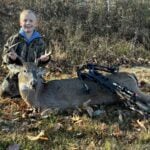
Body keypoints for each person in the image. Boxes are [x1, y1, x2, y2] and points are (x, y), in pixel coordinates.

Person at [0, 9, 50, 98]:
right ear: (20, 23)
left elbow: (43, 62)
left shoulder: (40, 42)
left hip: (33, 75)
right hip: (17, 73)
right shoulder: (14, 39)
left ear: (35, 24)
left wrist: (45, 60)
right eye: (25, 20)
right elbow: (5, 56)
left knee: (43, 93)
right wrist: (11, 58)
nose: (28, 23)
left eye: (31, 21)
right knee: (4, 92)